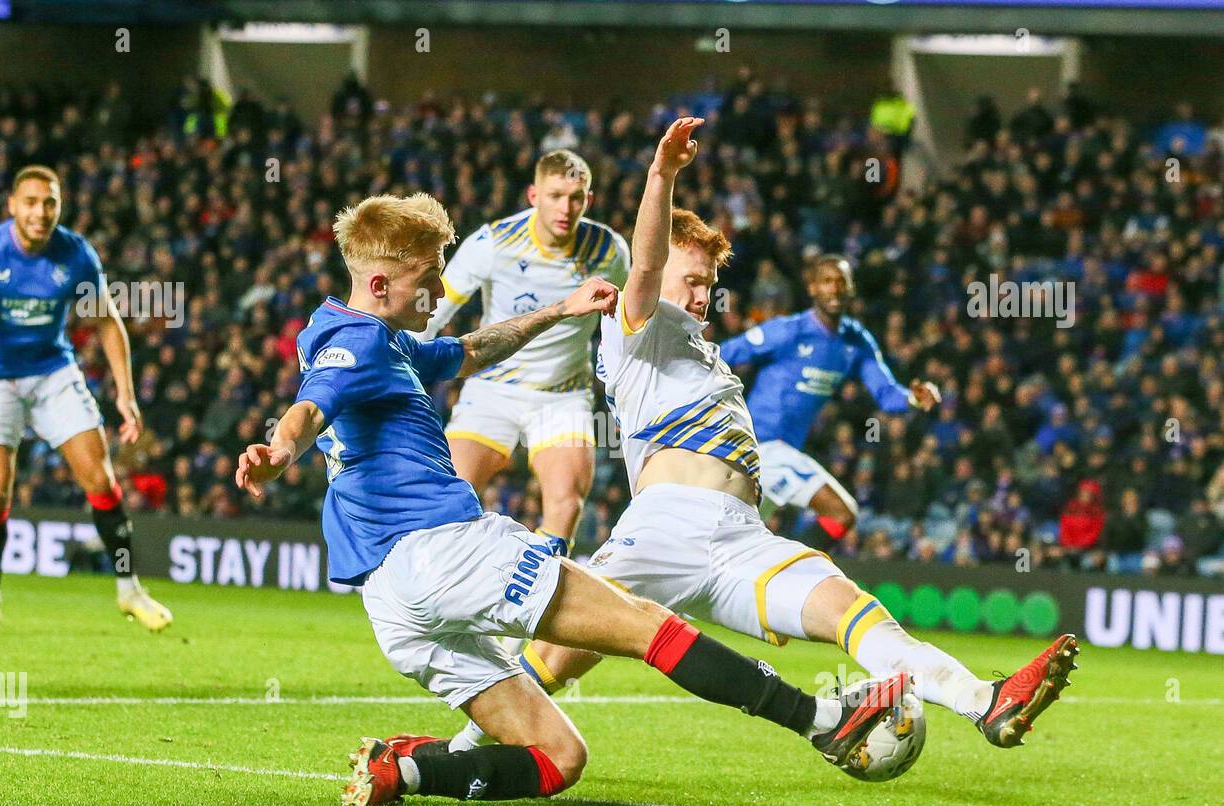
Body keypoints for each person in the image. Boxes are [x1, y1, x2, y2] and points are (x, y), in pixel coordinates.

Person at [235, 191, 906, 806]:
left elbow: (467, 351)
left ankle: (403, 770)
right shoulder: (353, 343)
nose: (441, 288)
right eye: (429, 277)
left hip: (392, 601)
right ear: (380, 283)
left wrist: (559, 310)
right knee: (647, 624)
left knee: (560, 759)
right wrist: (279, 450)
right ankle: (824, 722)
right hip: (443, 551)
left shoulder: (385, 340)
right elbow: (311, 409)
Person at [435, 118, 1077, 758]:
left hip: (741, 536)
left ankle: (985, 701)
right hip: (662, 530)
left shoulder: (701, 350)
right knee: (556, 655)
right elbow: (649, 260)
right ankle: (465, 748)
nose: (702, 294)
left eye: (709, 284)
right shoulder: (637, 328)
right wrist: (661, 176)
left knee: (850, 607)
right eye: (691, 280)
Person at [0, 164, 171, 631]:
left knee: (101, 478)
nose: (41, 212)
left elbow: (108, 322)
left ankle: (130, 591)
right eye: (31, 202)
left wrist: (126, 394)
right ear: (12, 206)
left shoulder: (74, 254)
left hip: (52, 370)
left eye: (50, 202)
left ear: (59, 206)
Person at [415, 150, 630, 560]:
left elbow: (628, 321)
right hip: (493, 388)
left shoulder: (610, 251)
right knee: (447, 496)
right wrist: (397, 359)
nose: (566, 208)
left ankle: (537, 601)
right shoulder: (494, 243)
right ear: (533, 195)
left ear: (589, 200)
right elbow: (434, 311)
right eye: (555, 195)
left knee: (566, 502)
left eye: (576, 197)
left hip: (561, 394)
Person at [719, 254, 942, 553]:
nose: (834, 288)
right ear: (812, 288)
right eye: (826, 281)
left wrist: (914, 397)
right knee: (841, 512)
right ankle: (789, 575)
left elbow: (887, 394)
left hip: (781, 453)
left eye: (841, 282)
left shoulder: (855, 341)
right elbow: (724, 355)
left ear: (850, 289)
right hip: (759, 446)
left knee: (729, 546)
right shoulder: (789, 331)